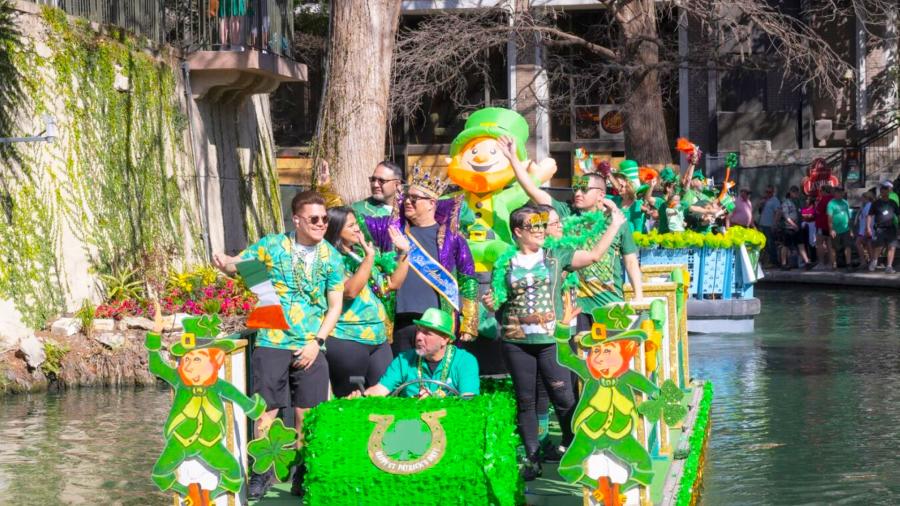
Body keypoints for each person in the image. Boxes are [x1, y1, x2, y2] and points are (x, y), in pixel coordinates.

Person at [212, 190, 345, 499]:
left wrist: (317, 342)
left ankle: (301, 473)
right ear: (296, 219)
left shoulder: (332, 257)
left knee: (306, 416)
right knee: (266, 412)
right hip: (272, 338)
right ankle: (262, 472)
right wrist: (225, 261)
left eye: (325, 219)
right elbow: (239, 266)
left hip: (311, 343)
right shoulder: (273, 245)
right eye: (314, 219)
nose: (321, 224)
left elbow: (335, 306)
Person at [483, 203, 628, 481]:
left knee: (563, 397)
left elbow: (596, 255)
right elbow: (499, 301)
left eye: (541, 225)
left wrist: (615, 224)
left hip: (551, 339)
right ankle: (533, 457)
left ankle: (575, 450)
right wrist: (491, 302)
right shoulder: (505, 262)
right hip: (516, 341)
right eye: (533, 226)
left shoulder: (556, 256)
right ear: (517, 232)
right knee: (526, 401)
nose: (539, 231)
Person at [508, 138, 643, 331]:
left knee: (611, 357)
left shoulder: (616, 221)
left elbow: (630, 261)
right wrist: (512, 157)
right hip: (574, 306)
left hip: (610, 303)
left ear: (601, 195)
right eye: (576, 188)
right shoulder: (565, 213)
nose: (578, 193)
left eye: (584, 189)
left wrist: (638, 297)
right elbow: (531, 189)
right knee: (576, 358)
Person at [364, 164, 479, 355]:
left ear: (431, 203)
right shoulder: (391, 229)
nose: (408, 201)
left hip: (437, 323)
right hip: (399, 321)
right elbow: (353, 221)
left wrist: (469, 323)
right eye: (407, 197)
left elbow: (468, 278)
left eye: (415, 198)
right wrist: (326, 190)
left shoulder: (453, 238)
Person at [322, 207, 411, 397]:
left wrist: (404, 253)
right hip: (348, 338)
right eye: (351, 225)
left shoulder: (361, 254)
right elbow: (350, 291)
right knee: (350, 399)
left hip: (378, 339)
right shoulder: (331, 258)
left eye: (357, 224)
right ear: (336, 229)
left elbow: (392, 284)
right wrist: (369, 258)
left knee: (388, 395)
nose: (357, 229)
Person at [353, 308, 480, 398]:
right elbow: (380, 389)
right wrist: (362, 398)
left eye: (427, 333)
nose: (418, 337)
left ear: (445, 339)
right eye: (418, 330)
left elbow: (469, 401)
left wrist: (437, 402)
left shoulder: (465, 361)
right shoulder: (404, 360)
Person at [867, 181, 899, 273]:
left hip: (891, 228)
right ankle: (874, 261)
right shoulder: (876, 203)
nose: (884, 193)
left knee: (892, 247)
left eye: (886, 191)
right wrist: (868, 227)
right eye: (882, 191)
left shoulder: (893, 203)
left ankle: (889, 266)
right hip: (880, 228)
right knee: (879, 246)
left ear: (889, 192)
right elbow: (869, 215)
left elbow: (898, 214)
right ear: (881, 192)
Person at [779, 186, 808, 269]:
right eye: (794, 192)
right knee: (785, 245)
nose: (795, 193)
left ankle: (806, 262)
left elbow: (803, 211)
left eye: (796, 192)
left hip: (798, 227)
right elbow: (786, 216)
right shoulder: (786, 203)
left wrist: (812, 210)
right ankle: (784, 264)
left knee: (801, 244)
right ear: (790, 192)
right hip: (789, 228)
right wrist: (793, 224)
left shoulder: (798, 202)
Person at [827, 187, 853, 270]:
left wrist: (851, 229)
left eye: (842, 193)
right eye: (839, 193)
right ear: (835, 193)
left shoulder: (845, 202)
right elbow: (829, 218)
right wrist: (831, 229)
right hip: (835, 229)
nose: (841, 194)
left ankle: (848, 264)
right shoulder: (831, 204)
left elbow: (848, 216)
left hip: (845, 229)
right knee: (834, 248)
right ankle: (834, 264)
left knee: (847, 246)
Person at [757, 185, 781, 267]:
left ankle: (774, 261)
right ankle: (766, 261)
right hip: (762, 224)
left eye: (769, 192)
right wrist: (761, 205)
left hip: (769, 225)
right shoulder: (764, 200)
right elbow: (760, 211)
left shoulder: (775, 200)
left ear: (773, 192)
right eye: (766, 192)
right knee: (764, 244)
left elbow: (778, 212)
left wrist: (775, 224)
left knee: (771, 244)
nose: (768, 194)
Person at [813, 185, 835, 271]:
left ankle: (821, 263)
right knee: (830, 245)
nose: (820, 193)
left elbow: (818, 211)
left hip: (822, 224)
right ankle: (831, 264)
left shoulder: (824, 199)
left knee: (819, 244)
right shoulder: (833, 199)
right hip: (831, 226)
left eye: (821, 191)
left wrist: (816, 205)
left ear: (824, 191)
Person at [854, 189, 875, 269]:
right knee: (868, 245)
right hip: (865, 229)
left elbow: (867, 218)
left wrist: (867, 229)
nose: (861, 199)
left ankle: (864, 261)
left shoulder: (868, 206)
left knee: (858, 243)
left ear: (866, 198)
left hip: (865, 230)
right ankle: (871, 262)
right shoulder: (866, 206)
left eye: (862, 197)